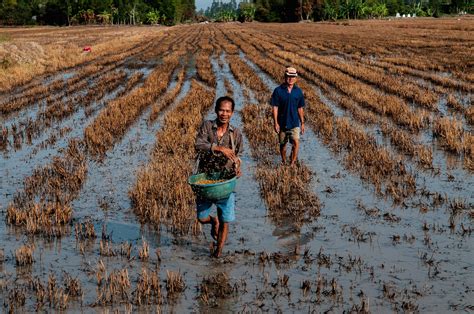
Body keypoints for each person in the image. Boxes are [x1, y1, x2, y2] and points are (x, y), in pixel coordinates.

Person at [194, 96, 243, 258]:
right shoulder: (207, 126)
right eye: (221, 110)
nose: (224, 113)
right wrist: (219, 148)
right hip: (206, 178)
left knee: (225, 219)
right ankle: (212, 221)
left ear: (232, 113)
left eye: (228, 111)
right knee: (201, 218)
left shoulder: (235, 133)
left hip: (225, 181)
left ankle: (218, 252)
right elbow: (198, 145)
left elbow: (238, 155)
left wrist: (237, 166)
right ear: (216, 111)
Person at [271, 66, 305, 166]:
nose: (290, 79)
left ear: (296, 78)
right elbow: (275, 107)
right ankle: (283, 160)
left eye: (293, 77)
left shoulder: (298, 91)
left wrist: (302, 123)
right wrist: (276, 123)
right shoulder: (278, 90)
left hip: (294, 122)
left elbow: (300, 108)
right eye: (288, 76)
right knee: (283, 145)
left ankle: (292, 163)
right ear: (285, 76)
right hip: (282, 123)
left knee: (296, 143)